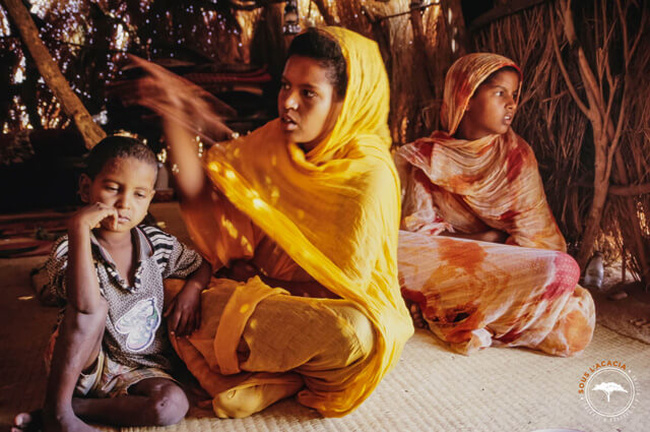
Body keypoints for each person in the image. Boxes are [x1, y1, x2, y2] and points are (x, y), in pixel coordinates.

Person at [129, 27, 413, 419]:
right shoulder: (272, 143)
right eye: (285, 86)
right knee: (162, 289)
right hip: (254, 298)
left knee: (353, 336)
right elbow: (199, 197)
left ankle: (232, 368)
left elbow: (341, 292)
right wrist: (174, 117)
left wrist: (256, 282)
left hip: (315, 310)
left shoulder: (369, 174)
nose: (288, 103)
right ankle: (275, 373)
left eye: (308, 93)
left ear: (345, 103)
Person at [395, 53, 595, 357]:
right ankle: (470, 313)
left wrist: (490, 248)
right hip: (443, 268)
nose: (512, 104)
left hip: (500, 270)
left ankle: (453, 312)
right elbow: (419, 239)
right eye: (500, 92)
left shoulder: (516, 157)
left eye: (514, 95)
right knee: (393, 248)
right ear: (466, 97)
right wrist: (484, 240)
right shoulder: (426, 159)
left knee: (565, 282)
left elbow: (539, 241)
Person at [12, 135, 212, 432]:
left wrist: (192, 290)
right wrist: (79, 228)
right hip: (83, 362)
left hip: (142, 367)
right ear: (84, 188)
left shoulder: (157, 244)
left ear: (150, 200)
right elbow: (84, 307)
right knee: (93, 310)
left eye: (139, 194)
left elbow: (202, 265)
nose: (124, 203)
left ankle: (67, 410)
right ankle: (59, 412)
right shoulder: (68, 248)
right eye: (113, 188)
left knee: (172, 406)